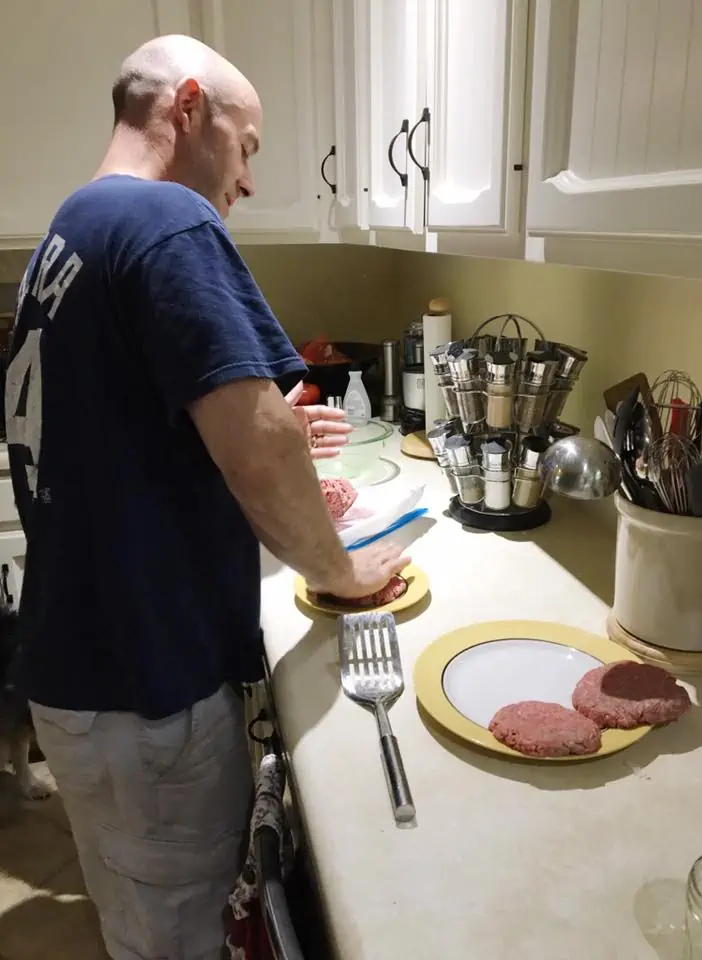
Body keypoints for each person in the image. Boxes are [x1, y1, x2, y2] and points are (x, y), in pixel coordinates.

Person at [5, 33, 409, 960]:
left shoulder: (69, 233)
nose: (249, 179)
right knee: (181, 937)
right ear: (189, 109)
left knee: (134, 920)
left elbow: (107, 429)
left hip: (78, 679)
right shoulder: (170, 224)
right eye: (248, 144)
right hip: (146, 691)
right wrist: (340, 574)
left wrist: (229, 431)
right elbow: (261, 456)